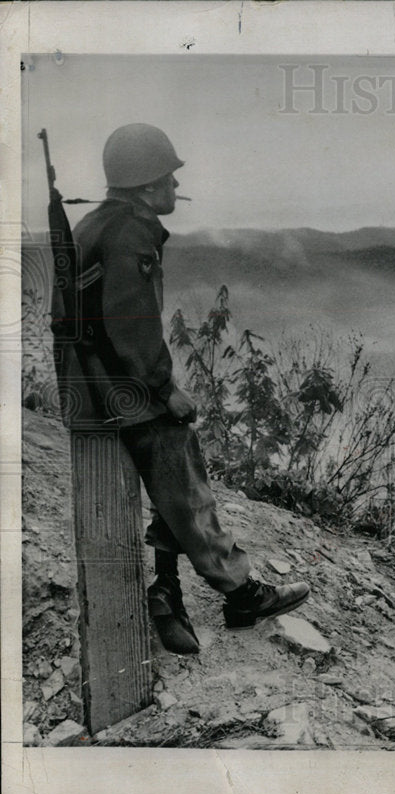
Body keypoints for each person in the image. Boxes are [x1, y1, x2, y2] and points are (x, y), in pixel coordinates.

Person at [65, 123, 310, 655]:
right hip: (121, 390)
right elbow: (131, 322)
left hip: (90, 387)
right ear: (149, 185)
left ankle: (167, 589)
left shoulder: (94, 224)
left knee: (174, 471)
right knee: (184, 474)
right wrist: (163, 387)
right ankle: (241, 592)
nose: (176, 189)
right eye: (171, 179)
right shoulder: (131, 230)